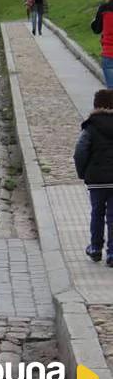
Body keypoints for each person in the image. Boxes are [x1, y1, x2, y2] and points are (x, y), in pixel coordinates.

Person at [74, 89, 113, 266]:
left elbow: (80, 152)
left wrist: (84, 173)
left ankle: (95, 248)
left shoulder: (90, 126)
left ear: (96, 105)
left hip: (97, 179)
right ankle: (112, 254)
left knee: (97, 212)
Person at [92, 0, 113, 88]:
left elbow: (96, 29)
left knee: (111, 88)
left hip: (109, 53)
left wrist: (93, 22)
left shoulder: (104, 8)